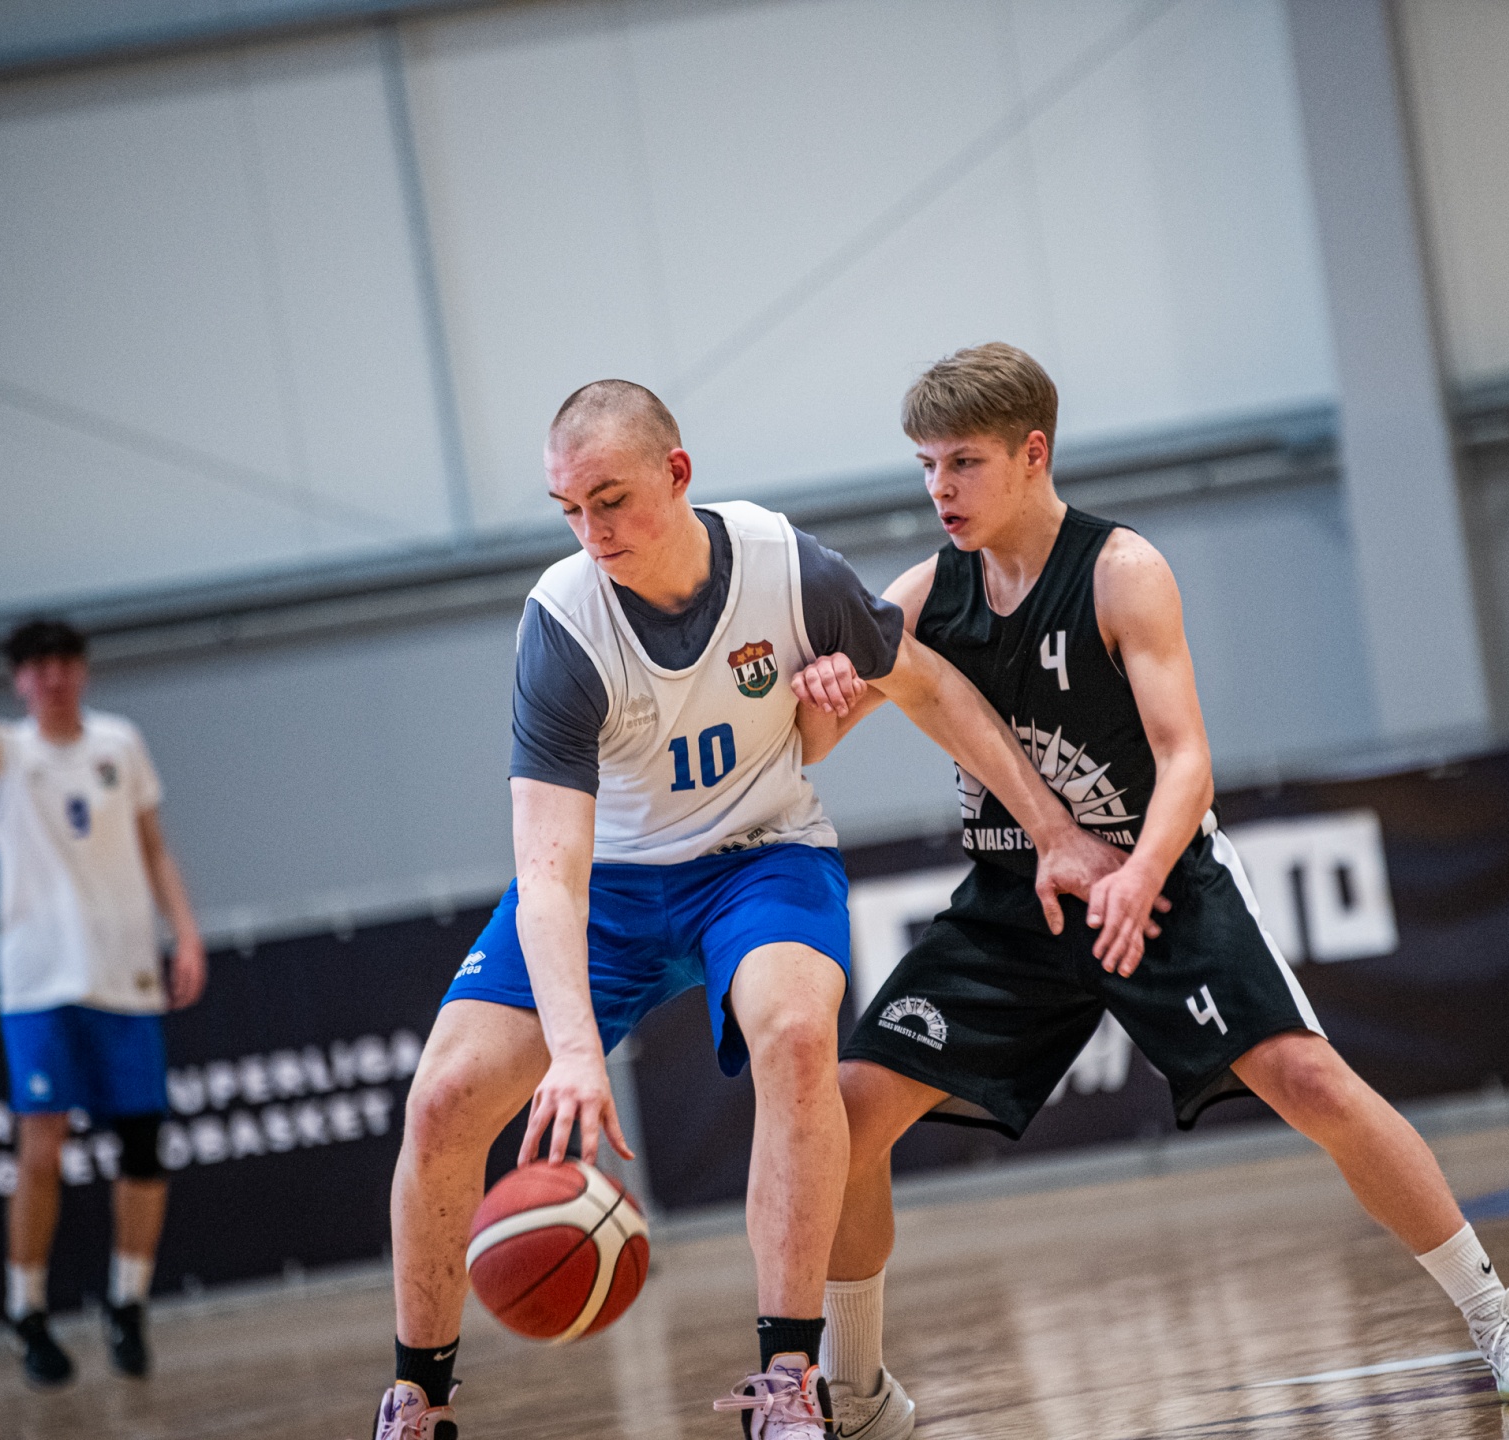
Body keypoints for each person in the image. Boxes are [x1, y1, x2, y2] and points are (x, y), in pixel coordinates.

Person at [787, 344, 1509, 1435]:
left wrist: (1140, 875)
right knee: (845, 1114)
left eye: (963, 463)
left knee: (1308, 1079)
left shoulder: (1122, 571)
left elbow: (1186, 762)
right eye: (927, 465)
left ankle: (1501, 1316)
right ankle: (859, 1390)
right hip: (1018, 898)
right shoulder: (925, 593)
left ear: (1032, 453)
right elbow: (816, 739)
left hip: (1154, 876)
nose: (940, 489)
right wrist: (830, 681)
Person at [370, 381, 1127, 1440]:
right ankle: (419, 1399)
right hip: (612, 884)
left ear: (677, 475)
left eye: (610, 500)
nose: (591, 531)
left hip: (760, 858)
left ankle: (789, 1383)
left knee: (798, 1035)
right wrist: (576, 1054)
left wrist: (1051, 828)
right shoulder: (564, 623)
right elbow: (547, 871)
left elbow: (929, 685)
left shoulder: (786, 568)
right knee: (446, 1097)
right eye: (569, 509)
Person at [0, 512, 206, 1387]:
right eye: (37, 667)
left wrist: (185, 932)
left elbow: (154, 848)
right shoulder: (4, 753)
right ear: (20, 680)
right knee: (41, 1148)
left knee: (143, 1148)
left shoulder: (119, 744)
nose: (53, 677)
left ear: (81, 670)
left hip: (127, 975)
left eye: (64, 662)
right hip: (41, 983)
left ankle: (127, 1301)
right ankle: (28, 1308)